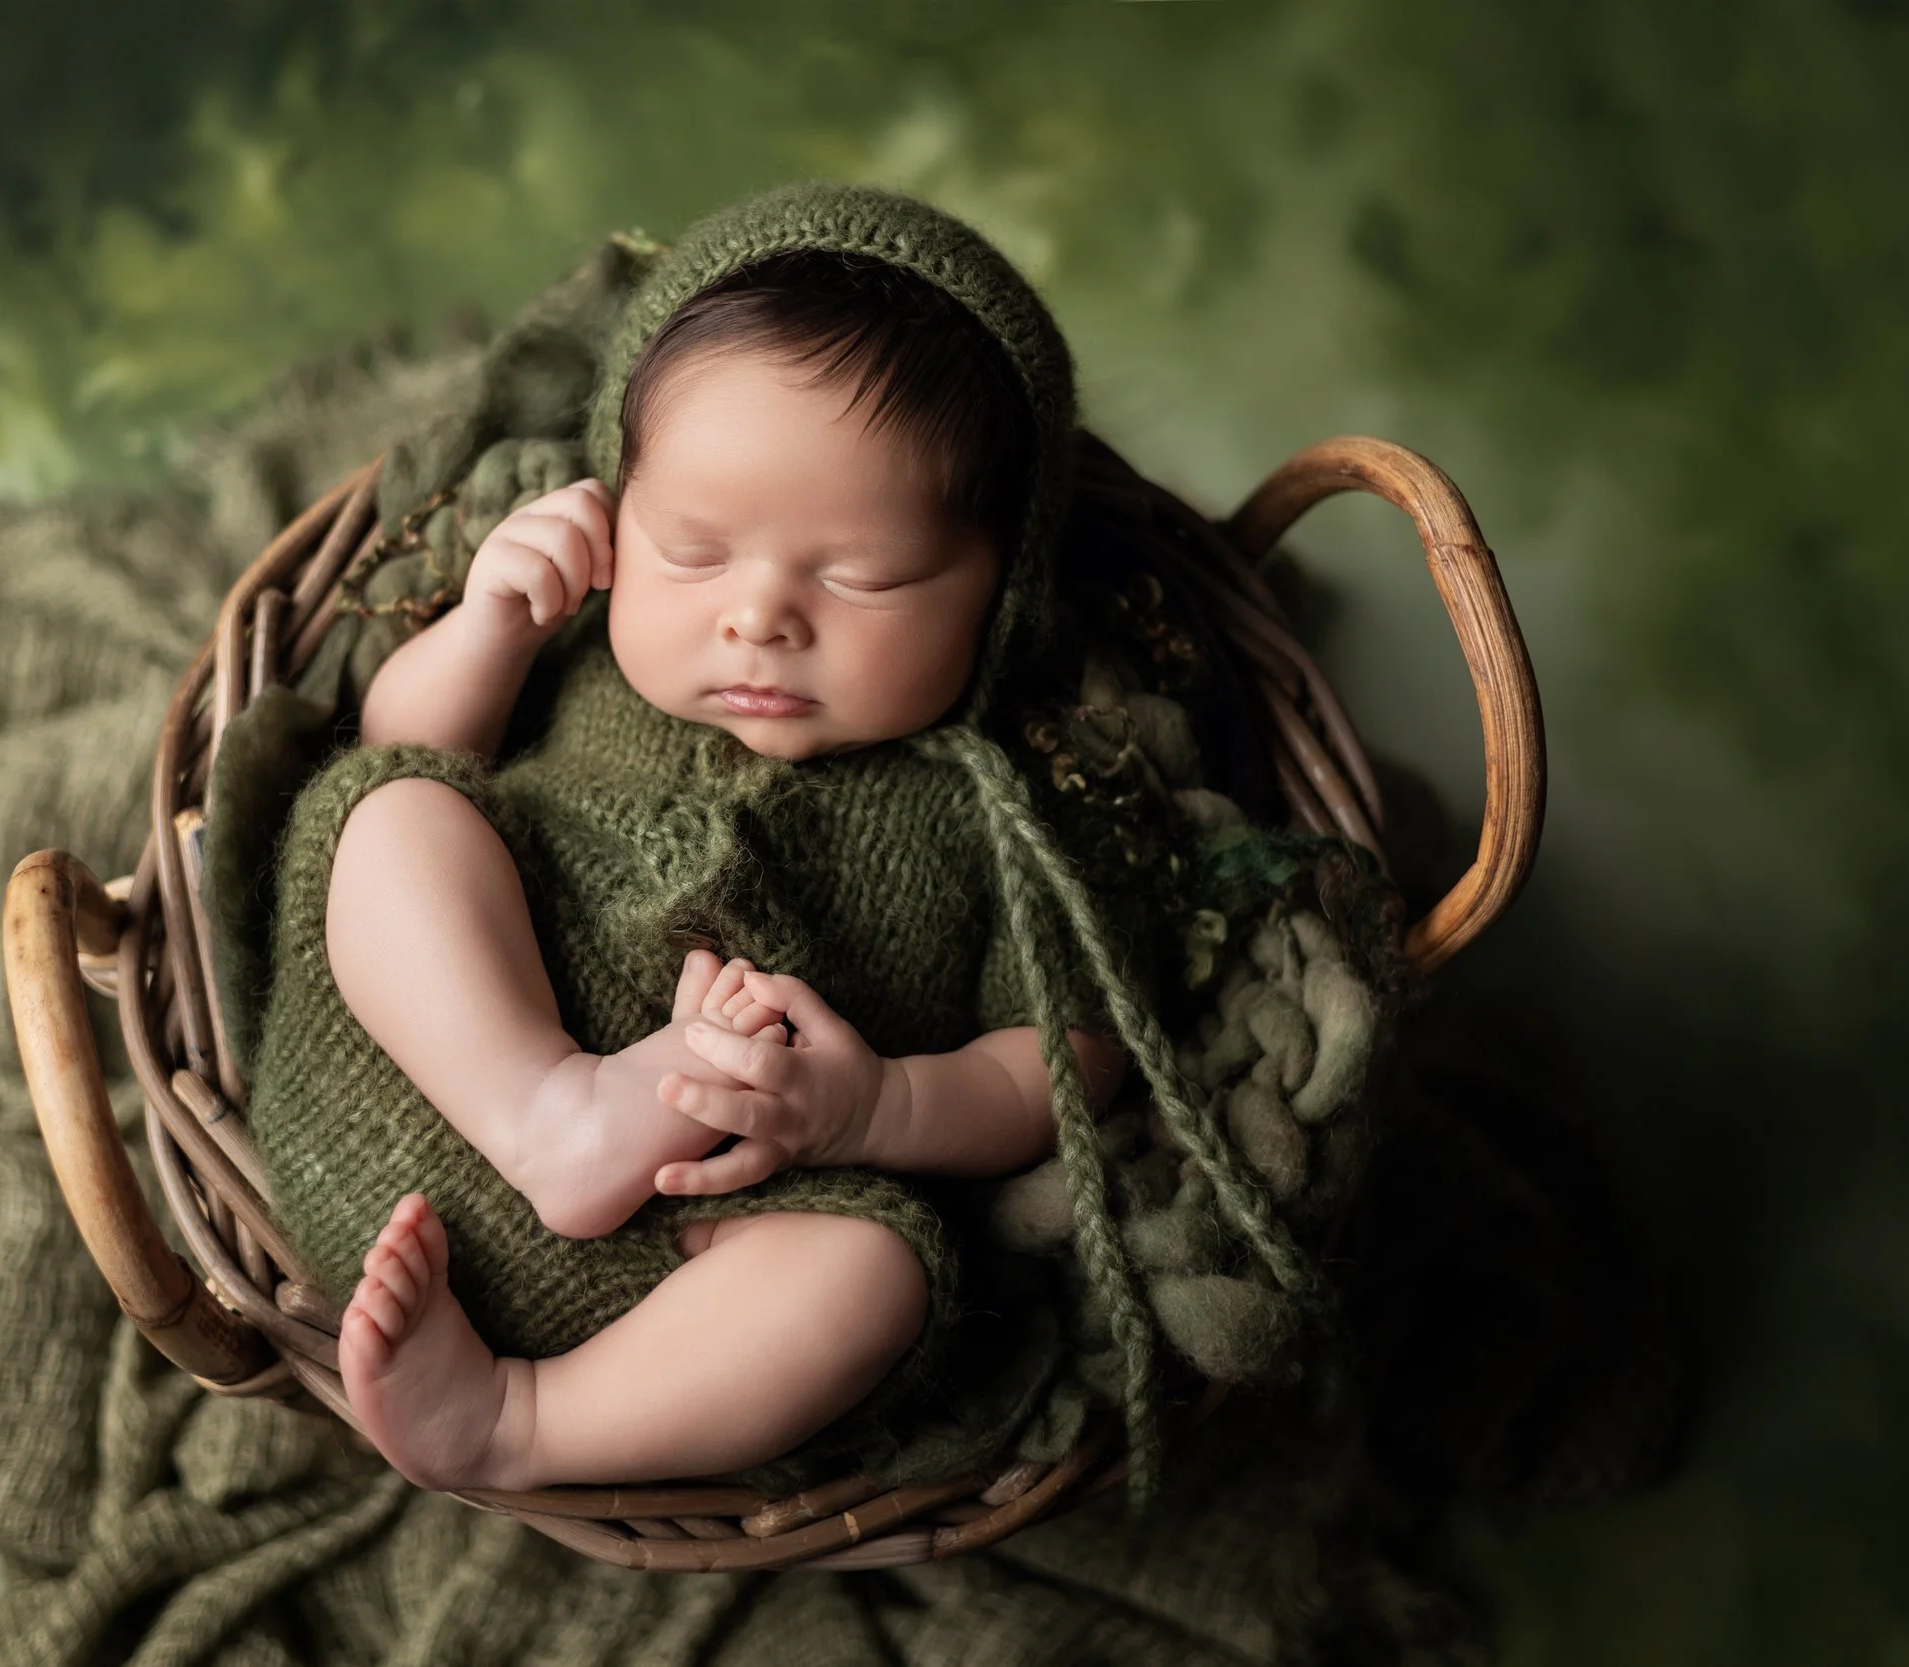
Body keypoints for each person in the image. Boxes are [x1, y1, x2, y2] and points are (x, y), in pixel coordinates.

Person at [248, 184, 1269, 1498]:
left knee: (879, 1274)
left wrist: (879, 1104)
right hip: (415, 1084)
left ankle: (513, 1419)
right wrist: (491, 623)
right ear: (621, 510)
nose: (761, 618)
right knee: (388, 812)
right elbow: (406, 739)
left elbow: (1077, 1057)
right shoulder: (580, 641)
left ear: (1003, 592)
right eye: (695, 550)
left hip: (678, 1266)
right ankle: (552, 1110)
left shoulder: (1012, 805)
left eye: (863, 578)